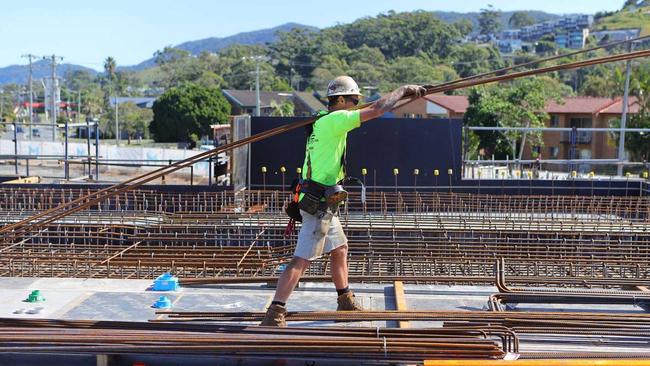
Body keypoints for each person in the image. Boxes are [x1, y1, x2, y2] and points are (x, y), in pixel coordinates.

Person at [261, 76, 426, 326]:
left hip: (321, 200)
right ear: (340, 99)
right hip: (317, 204)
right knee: (302, 259)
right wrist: (404, 91)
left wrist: (402, 97)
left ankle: (344, 299)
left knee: (339, 249)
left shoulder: (322, 119)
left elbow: (370, 108)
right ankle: (275, 311)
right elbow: (378, 109)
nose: (356, 104)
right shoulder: (336, 120)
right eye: (353, 99)